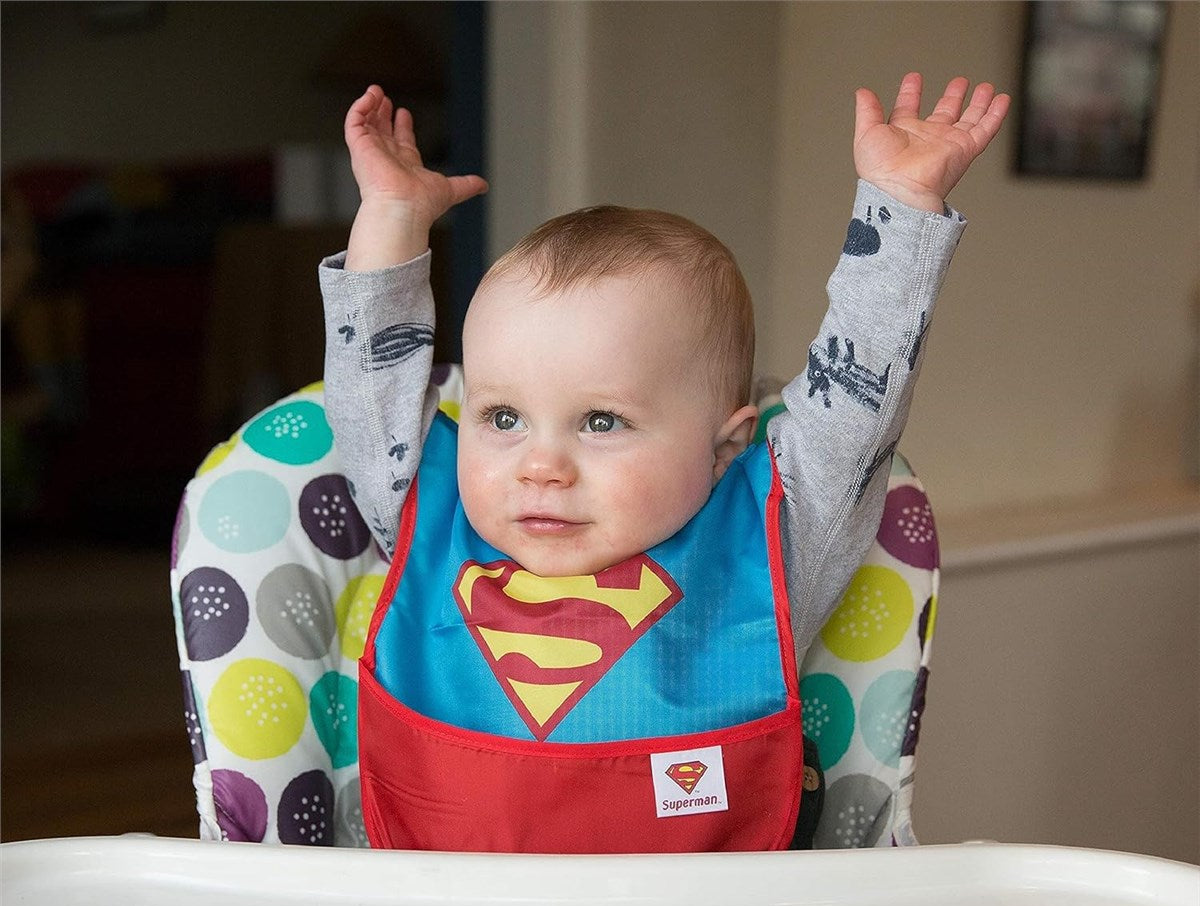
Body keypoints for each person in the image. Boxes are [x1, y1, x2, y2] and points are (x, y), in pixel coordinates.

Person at [319, 73, 1008, 853]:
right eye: (503, 418)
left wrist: (901, 205)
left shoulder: (769, 544)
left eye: (601, 421)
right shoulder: (429, 510)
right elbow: (371, 394)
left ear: (726, 447)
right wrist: (392, 219)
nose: (541, 466)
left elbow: (853, 408)